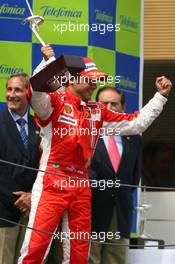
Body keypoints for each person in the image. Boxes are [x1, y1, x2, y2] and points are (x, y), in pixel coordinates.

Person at [18, 44, 172, 264]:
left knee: (79, 255)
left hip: (81, 185)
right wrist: (47, 64)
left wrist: (160, 97)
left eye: (96, 80)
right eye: (90, 79)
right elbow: (35, 93)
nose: (94, 84)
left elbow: (135, 123)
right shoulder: (54, 101)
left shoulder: (97, 111)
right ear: (72, 79)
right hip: (52, 182)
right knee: (36, 247)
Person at [88, 87, 141, 264]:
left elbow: (134, 178)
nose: (109, 107)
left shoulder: (133, 137)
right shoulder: (86, 133)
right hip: (90, 215)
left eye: (114, 103)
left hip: (120, 216)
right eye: (104, 103)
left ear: (123, 107)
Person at [0, 73, 40, 264]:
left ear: (28, 93)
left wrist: (32, 195)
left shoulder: (39, 125)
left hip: (30, 214)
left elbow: (44, 166)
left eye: (17, 89)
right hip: (3, 212)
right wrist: (19, 199)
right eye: (9, 89)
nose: (11, 94)